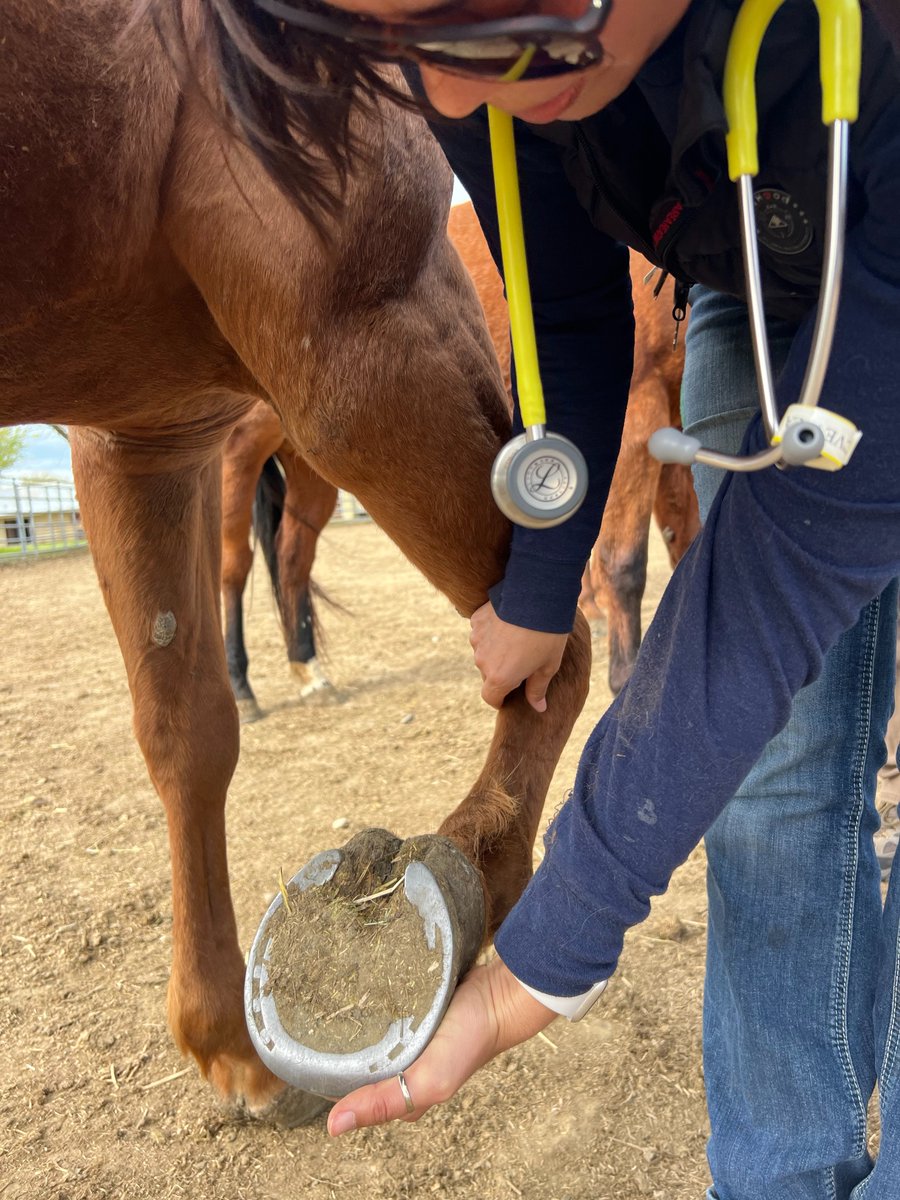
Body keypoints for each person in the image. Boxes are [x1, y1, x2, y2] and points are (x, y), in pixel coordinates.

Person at [200, 2, 900, 1195]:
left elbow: (790, 560)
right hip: (750, 269)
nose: (457, 104)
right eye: (402, 59)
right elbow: (568, 304)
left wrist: (555, 938)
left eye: (478, 24)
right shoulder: (480, 75)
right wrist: (537, 584)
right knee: (768, 773)